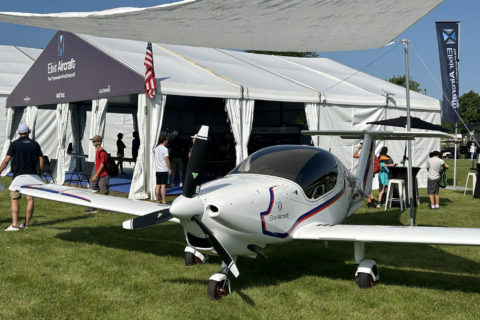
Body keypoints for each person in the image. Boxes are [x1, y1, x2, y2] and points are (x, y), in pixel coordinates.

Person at [0, 123, 44, 231]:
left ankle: (14, 225)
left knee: (14, 198)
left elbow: (6, 160)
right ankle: (26, 224)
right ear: (28, 132)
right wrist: (40, 172)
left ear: (19, 133)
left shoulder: (14, 144)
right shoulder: (35, 144)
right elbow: (41, 160)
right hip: (33, 175)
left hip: (19, 175)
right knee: (30, 199)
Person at [84, 135, 109, 213]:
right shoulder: (97, 151)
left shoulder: (102, 152)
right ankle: (92, 208)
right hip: (97, 174)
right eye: (93, 141)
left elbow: (102, 165)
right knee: (90, 189)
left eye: (94, 141)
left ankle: (109, 208)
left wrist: (95, 175)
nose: (93, 142)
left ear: (99, 142)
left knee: (104, 192)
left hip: (103, 175)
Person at [353, 142, 375, 208]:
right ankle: (371, 202)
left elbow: (354, 155)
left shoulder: (365, 154)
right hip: (369, 172)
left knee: (366, 187)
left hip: (366, 173)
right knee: (367, 187)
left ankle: (370, 203)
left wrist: (358, 148)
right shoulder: (370, 154)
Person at [154, 135, 171, 204]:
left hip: (157, 169)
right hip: (163, 169)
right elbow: (166, 160)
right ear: (164, 140)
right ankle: (164, 201)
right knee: (163, 185)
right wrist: (169, 169)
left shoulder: (156, 148)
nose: (167, 141)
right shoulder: (165, 149)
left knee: (158, 185)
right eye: (166, 140)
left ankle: (157, 200)